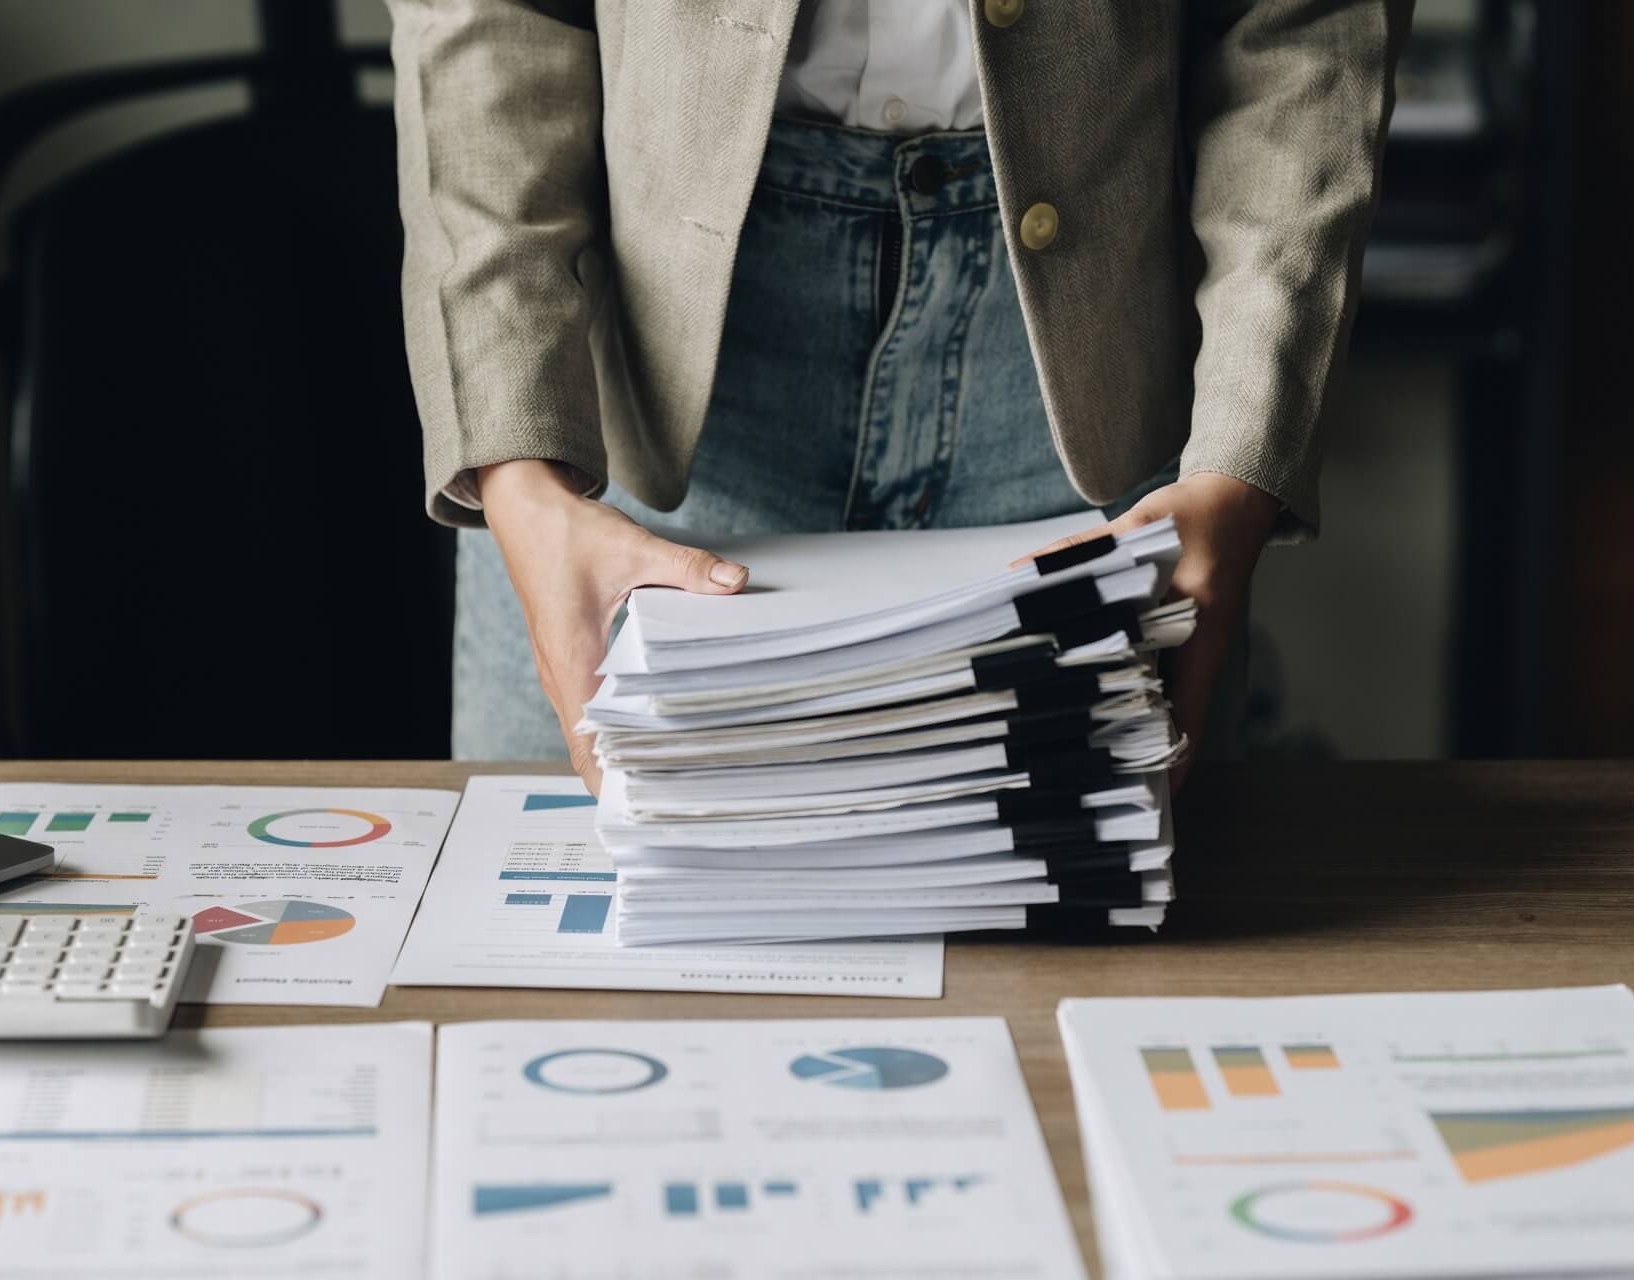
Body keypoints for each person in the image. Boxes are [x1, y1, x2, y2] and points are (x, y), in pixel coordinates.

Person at [387, 0, 1411, 791]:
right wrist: (519, 462)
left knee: (1092, 989)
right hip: (641, 400)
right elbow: (492, 19)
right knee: (577, 981)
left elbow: (1304, 28)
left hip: (1089, 386)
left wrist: (1243, 448)